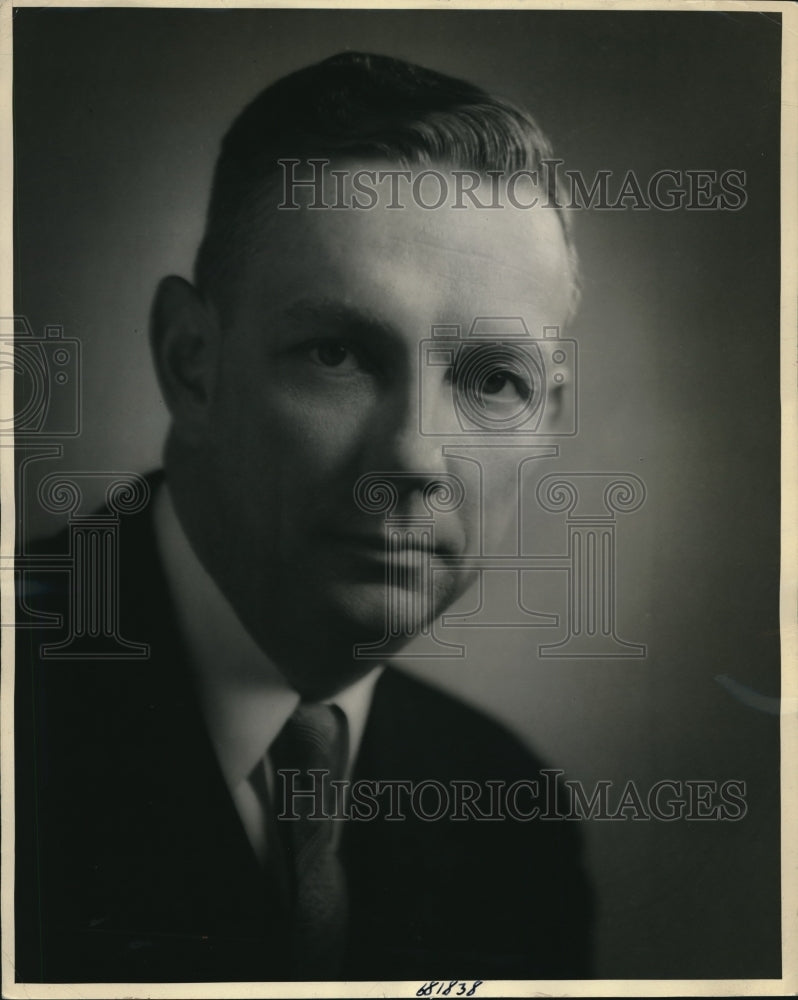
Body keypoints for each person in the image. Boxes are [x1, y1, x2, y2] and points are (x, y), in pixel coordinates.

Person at [15, 52, 593, 983]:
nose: (412, 457)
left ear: (549, 416)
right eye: (336, 354)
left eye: (492, 380)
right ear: (192, 362)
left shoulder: (512, 814)